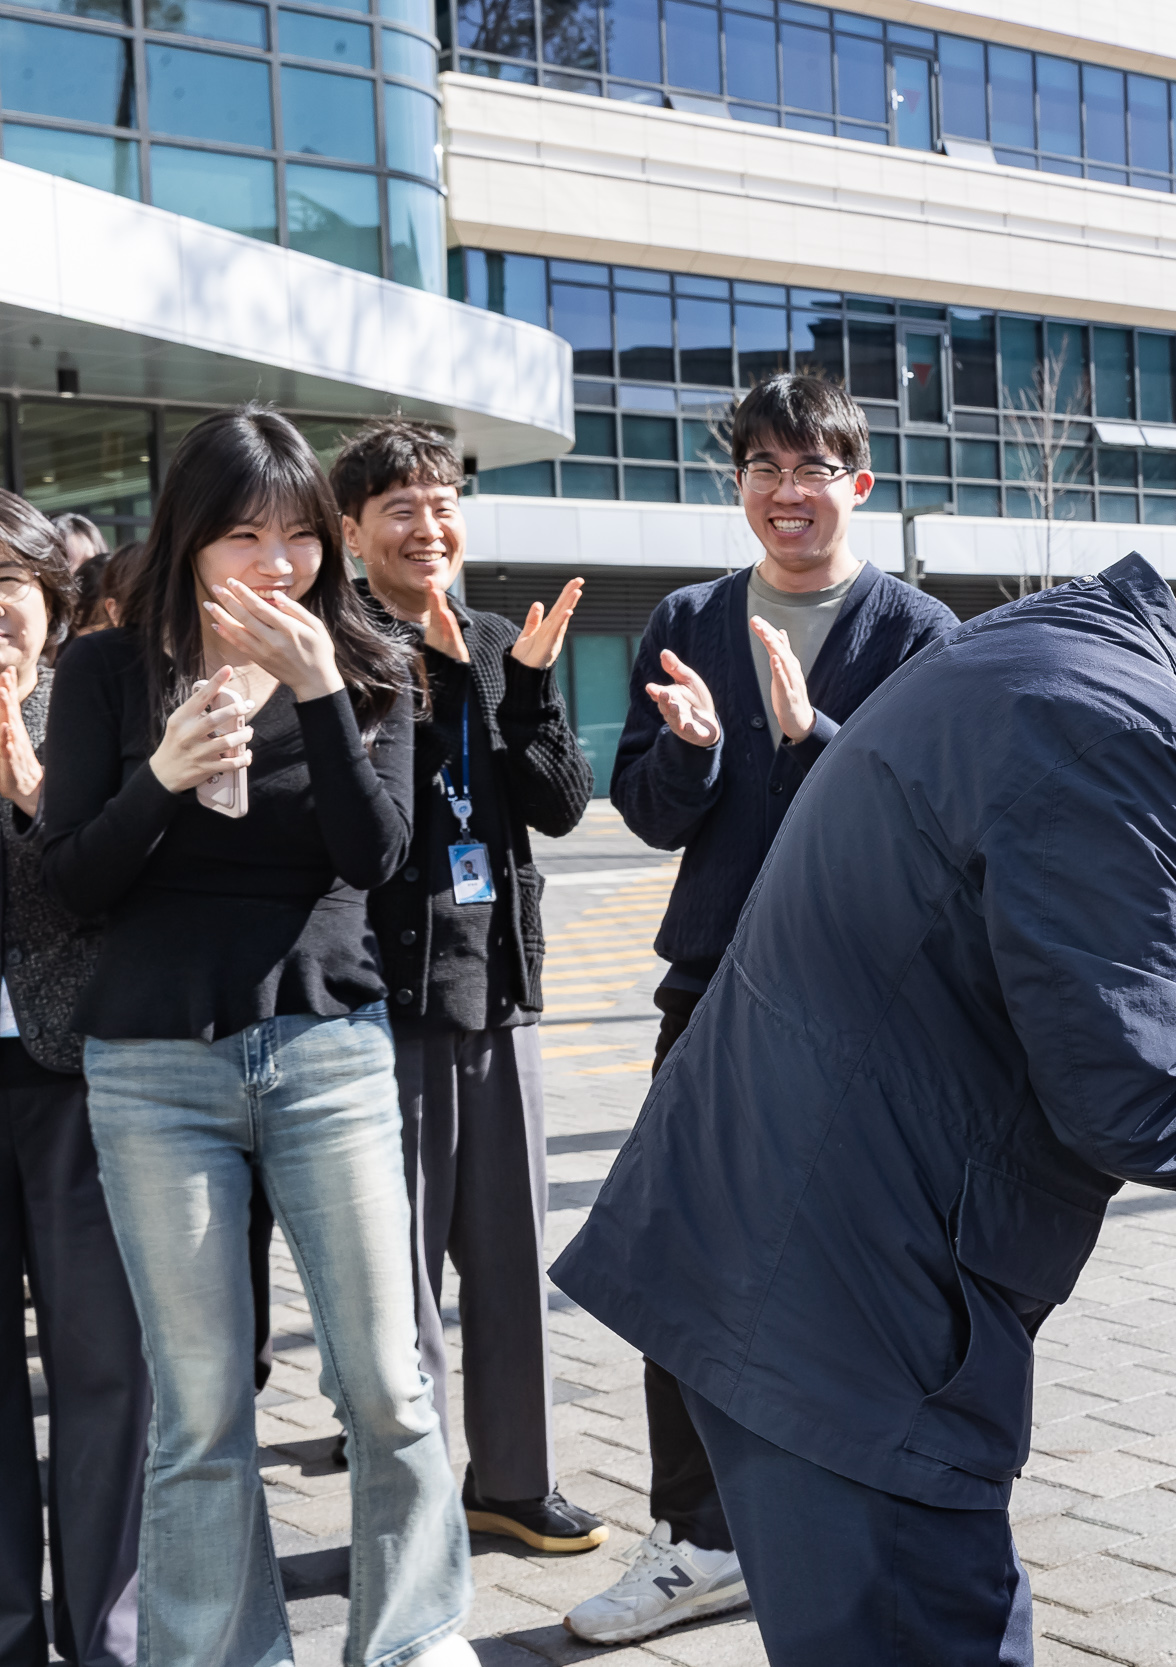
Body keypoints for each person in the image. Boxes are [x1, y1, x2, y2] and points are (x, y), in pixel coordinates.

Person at [551, 509, 1176, 1661]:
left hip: (782, 1251)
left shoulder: (1056, 643)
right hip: (853, 1304)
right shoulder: (1121, 730)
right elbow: (1125, 1086)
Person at [39, 407, 477, 1667]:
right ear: (187, 542)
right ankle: (216, 1651)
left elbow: (377, 856)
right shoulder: (109, 674)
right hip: (154, 1070)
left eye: (297, 536)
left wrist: (323, 690)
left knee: (386, 1387)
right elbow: (75, 881)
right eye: (244, 534)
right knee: (200, 1408)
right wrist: (162, 775)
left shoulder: (375, 660)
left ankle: (411, 1635)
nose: (278, 564)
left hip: (326, 1053)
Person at [563, 371, 959, 1647]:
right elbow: (651, 813)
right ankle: (696, 1538)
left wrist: (812, 732)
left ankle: (855, 1516)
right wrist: (690, 749)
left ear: (861, 481)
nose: (788, 493)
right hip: (712, 990)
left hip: (863, 1008)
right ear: (737, 484)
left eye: (812, 468)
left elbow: (933, 830)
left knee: (857, 1274)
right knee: (677, 1258)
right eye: (763, 469)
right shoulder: (688, 616)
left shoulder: (919, 635)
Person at [334, 420, 606, 1555]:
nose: (428, 524)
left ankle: (513, 1478)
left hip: (498, 996)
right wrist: (426, 679)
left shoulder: (498, 638)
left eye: (442, 501)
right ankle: (407, 1504)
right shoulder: (332, 647)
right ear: (349, 531)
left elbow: (557, 804)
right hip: (375, 1009)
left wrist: (527, 692)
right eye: (399, 506)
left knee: (504, 1260)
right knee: (393, 1280)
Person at [0, 494, 147, 1666]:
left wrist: (28, 784)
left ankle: (108, 1629)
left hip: (77, 1072)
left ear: (50, 604)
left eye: (6, 590)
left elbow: (109, 889)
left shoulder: (91, 705)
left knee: (105, 1361)